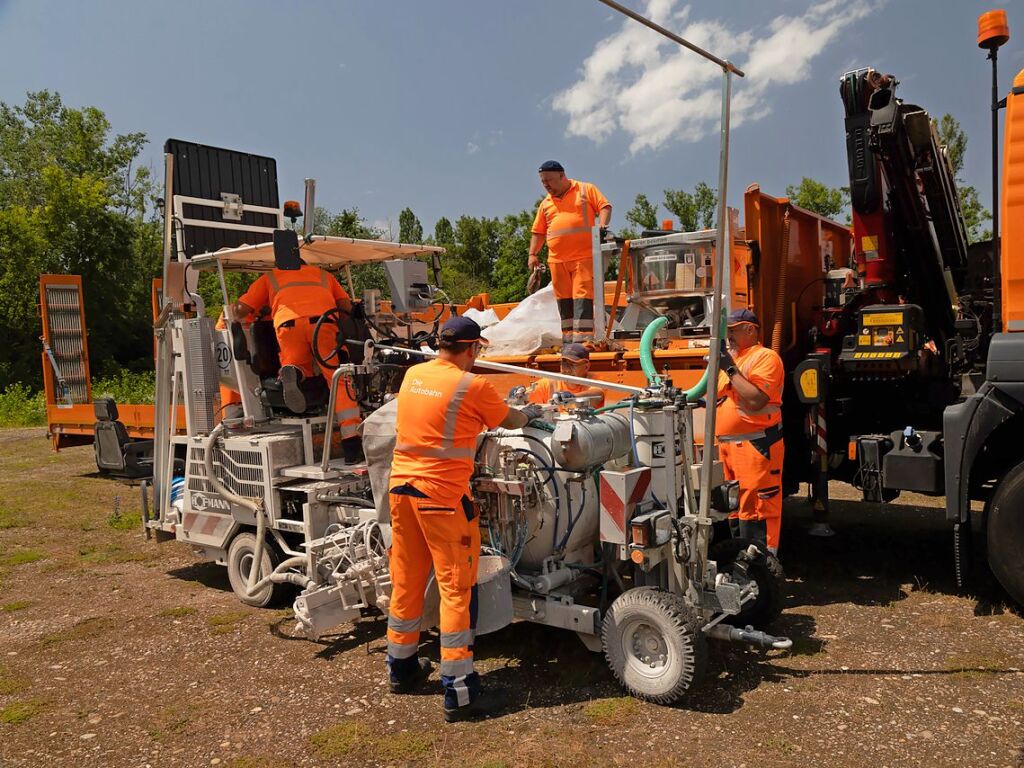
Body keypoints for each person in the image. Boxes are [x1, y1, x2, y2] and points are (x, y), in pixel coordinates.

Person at [385, 316, 539, 722]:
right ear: (472, 349)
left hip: (401, 491)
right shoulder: (473, 385)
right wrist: (532, 414)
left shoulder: (413, 374)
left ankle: (400, 668)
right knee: (457, 589)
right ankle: (460, 692)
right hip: (442, 498)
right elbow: (509, 420)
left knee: (408, 579)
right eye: (478, 351)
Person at [231, 260, 362, 455]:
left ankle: (294, 371)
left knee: (297, 363)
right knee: (337, 379)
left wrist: (263, 308)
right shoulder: (324, 275)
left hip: (287, 324)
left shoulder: (271, 277)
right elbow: (345, 307)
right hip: (323, 324)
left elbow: (241, 310)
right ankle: (351, 443)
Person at [715, 309, 785, 554]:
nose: (729, 335)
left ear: (750, 329)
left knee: (758, 509)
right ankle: (739, 565)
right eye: (728, 331)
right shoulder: (735, 359)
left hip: (756, 447)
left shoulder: (765, 357)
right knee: (736, 510)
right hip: (729, 448)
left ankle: (763, 570)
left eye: (734, 330)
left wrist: (729, 368)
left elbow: (755, 400)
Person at [528, 160, 612, 346]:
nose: (546, 185)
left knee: (582, 298)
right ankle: (569, 343)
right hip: (557, 261)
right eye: (543, 182)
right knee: (564, 302)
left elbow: (604, 206)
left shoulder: (585, 189)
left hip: (583, 257)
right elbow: (538, 231)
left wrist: (603, 226)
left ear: (561, 175)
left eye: (549, 180)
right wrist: (532, 254)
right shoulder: (545, 204)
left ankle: (583, 343)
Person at [527, 343, 605, 409]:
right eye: (564, 364)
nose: (567, 370)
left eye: (572, 365)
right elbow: (525, 397)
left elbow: (597, 394)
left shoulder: (594, 380)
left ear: (586, 366)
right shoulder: (549, 382)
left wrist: (571, 398)